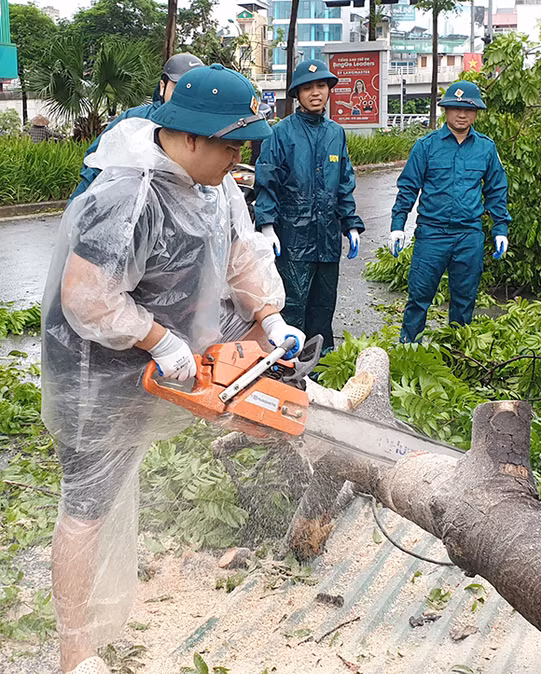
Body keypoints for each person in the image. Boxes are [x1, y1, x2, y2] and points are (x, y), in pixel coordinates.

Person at [41, 64, 303, 674]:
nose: (240, 157)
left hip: (181, 340)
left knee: (269, 379)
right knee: (88, 503)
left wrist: (269, 319)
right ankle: (74, 649)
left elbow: (243, 255)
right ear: (188, 137)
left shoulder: (217, 188)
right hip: (95, 367)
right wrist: (159, 340)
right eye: (231, 144)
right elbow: (87, 297)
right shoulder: (128, 194)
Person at [389, 80, 511, 343]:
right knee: (419, 297)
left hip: (469, 235)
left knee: (464, 299)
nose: (462, 114)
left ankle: (457, 352)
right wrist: (398, 226)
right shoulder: (426, 146)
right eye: (455, 108)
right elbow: (408, 187)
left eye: (468, 109)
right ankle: (408, 350)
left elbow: (496, 190)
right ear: (446, 110)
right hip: (432, 234)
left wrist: (501, 229)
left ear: (476, 112)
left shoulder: (486, 148)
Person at [255, 59, 365, 349]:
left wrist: (350, 224)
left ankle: (322, 362)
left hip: (327, 238)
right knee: (293, 304)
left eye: (320, 86)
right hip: (293, 236)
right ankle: (287, 365)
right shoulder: (281, 133)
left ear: (328, 90)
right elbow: (268, 179)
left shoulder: (335, 133)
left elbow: (344, 182)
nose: (315, 93)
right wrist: (267, 225)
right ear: (297, 94)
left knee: (323, 305)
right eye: (307, 88)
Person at [70, 52, 205, 200]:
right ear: (162, 86)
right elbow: (95, 165)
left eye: (194, 91)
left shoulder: (206, 129)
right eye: (179, 89)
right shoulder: (133, 121)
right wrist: (81, 210)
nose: (185, 98)